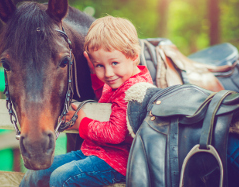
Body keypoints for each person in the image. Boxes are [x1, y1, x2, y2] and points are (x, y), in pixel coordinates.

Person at [20, 15, 153, 187]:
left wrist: (82, 123)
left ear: (134, 56)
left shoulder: (133, 90)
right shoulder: (118, 80)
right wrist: (93, 72)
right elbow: (104, 96)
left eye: (114, 63)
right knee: (37, 173)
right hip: (95, 153)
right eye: (100, 66)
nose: (108, 73)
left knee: (62, 177)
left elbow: (115, 134)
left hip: (116, 162)